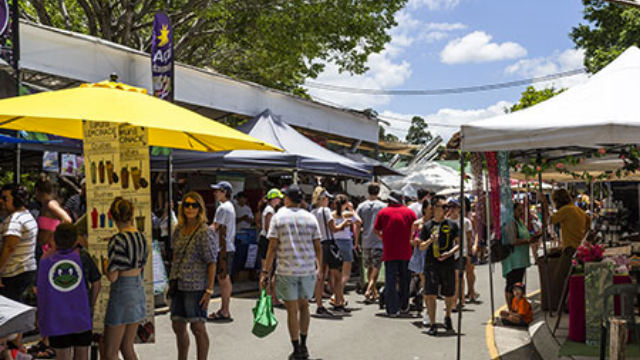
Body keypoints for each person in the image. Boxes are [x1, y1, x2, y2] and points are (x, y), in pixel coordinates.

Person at [261, 185, 322, 360]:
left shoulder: (278, 218)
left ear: (287, 199)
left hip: (286, 270)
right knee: (305, 307)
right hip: (307, 270)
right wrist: (320, 267)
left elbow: (272, 247)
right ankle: (304, 345)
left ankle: (296, 348)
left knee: (291, 310)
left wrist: (266, 272)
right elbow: (318, 246)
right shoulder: (310, 218)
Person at [36, 223, 100, 360]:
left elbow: (40, 290)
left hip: (57, 318)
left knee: (63, 356)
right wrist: (91, 304)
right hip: (82, 316)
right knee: (82, 356)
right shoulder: (83, 256)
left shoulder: (46, 259)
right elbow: (97, 281)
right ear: (75, 240)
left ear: (55, 239)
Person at [170, 193, 218, 360]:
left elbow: (212, 262)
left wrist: (209, 290)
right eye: (187, 205)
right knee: (178, 325)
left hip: (195, 286)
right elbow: (175, 254)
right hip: (178, 284)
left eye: (194, 205)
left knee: (197, 327)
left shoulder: (205, 231)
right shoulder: (178, 229)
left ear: (200, 208)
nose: (190, 208)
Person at [103, 197, 148, 360]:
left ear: (112, 216)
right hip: (137, 289)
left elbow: (113, 276)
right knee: (127, 347)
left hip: (122, 292)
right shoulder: (141, 238)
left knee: (110, 352)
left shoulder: (117, 240)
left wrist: (105, 264)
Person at [0, 184, 38, 351]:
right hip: (25, 268)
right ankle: (15, 343)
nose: (1, 201)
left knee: (10, 312)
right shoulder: (26, 216)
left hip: (14, 271)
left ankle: (13, 344)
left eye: (5, 198)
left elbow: (9, 247)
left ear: (17, 199)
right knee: (17, 306)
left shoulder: (15, 220)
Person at [419, 196, 459, 336]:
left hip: (447, 263)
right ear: (435, 209)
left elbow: (459, 243)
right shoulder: (427, 226)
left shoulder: (452, 225)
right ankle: (432, 323)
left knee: (449, 293)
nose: (447, 210)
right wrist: (431, 240)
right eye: (444, 207)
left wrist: (450, 253)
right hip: (431, 264)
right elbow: (421, 247)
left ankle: (447, 316)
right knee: (430, 294)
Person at [374, 190, 416, 317]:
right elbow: (414, 230)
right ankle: (404, 305)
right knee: (405, 279)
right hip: (406, 251)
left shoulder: (383, 212)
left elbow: (376, 230)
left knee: (390, 280)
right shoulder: (409, 212)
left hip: (390, 251)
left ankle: (392, 308)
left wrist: (384, 237)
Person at [542, 188, 590, 301]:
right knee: (573, 276)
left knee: (560, 277)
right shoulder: (578, 210)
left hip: (570, 249)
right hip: (579, 248)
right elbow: (589, 224)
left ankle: (566, 301)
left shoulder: (566, 210)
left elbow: (548, 221)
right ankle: (571, 300)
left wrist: (544, 205)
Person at [311, 187, 350, 316]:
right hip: (328, 244)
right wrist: (343, 225)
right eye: (327, 198)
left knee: (320, 276)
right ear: (323, 199)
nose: (328, 201)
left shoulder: (312, 212)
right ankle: (338, 302)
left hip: (317, 244)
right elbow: (333, 228)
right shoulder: (326, 211)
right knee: (337, 276)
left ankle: (319, 304)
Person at [502, 202, 539, 311]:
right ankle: (511, 308)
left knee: (518, 283)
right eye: (519, 210)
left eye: (522, 210)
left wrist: (532, 237)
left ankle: (517, 306)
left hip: (520, 259)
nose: (521, 212)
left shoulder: (520, 221)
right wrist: (528, 240)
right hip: (513, 259)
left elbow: (524, 234)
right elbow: (512, 240)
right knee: (511, 284)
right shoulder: (510, 222)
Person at [207, 181, 236, 322]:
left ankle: (225, 310)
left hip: (223, 248)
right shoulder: (229, 207)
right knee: (224, 278)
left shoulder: (223, 208)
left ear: (224, 192)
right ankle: (225, 309)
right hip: (227, 247)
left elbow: (214, 227)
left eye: (218, 191)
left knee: (223, 278)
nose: (215, 193)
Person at [356, 183, 386, 304]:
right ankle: (370, 289)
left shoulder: (361, 206)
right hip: (378, 240)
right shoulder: (383, 206)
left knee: (369, 267)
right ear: (378, 192)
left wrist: (356, 241)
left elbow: (357, 225)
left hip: (366, 240)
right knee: (376, 266)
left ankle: (373, 291)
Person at [331, 194, 361, 307]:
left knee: (335, 273)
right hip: (346, 242)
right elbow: (359, 222)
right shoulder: (348, 214)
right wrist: (352, 209)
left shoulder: (331, 214)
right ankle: (336, 295)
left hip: (334, 243)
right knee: (346, 274)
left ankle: (340, 297)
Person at [446, 197, 475, 310]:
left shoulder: (466, 222)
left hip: (461, 252)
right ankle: (459, 298)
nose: (452, 209)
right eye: (450, 207)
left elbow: (469, 238)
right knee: (454, 277)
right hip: (449, 253)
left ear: (459, 208)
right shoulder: (445, 222)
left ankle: (456, 301)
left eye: (454, 207)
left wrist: (469, 254)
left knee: (458, 276)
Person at [35, 174, 73, 259]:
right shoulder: (45, 205)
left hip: (49, 248)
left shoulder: (51, 204)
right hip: (43, 247)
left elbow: (67, 220)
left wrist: (53, 237)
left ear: (37, 191)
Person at [258, 189, 284, 307]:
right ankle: (267, 296)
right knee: (266, 269)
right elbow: (269, 229)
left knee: (270, 269)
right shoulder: (269, 210)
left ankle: (271, 296)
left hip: (266, 240)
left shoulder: (270, 210)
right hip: (266, 241)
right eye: (278, 198)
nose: (280, 200)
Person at [410, 199, 432, 325]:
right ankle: (427, 310)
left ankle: (427, 307)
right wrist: (416, 241)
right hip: (420, 254)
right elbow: (411, 241)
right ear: (424, 209)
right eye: (430, 209)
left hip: (432, 254)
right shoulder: (417, 223)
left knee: (428, 283)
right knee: (425, 282)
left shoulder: (436, 223)